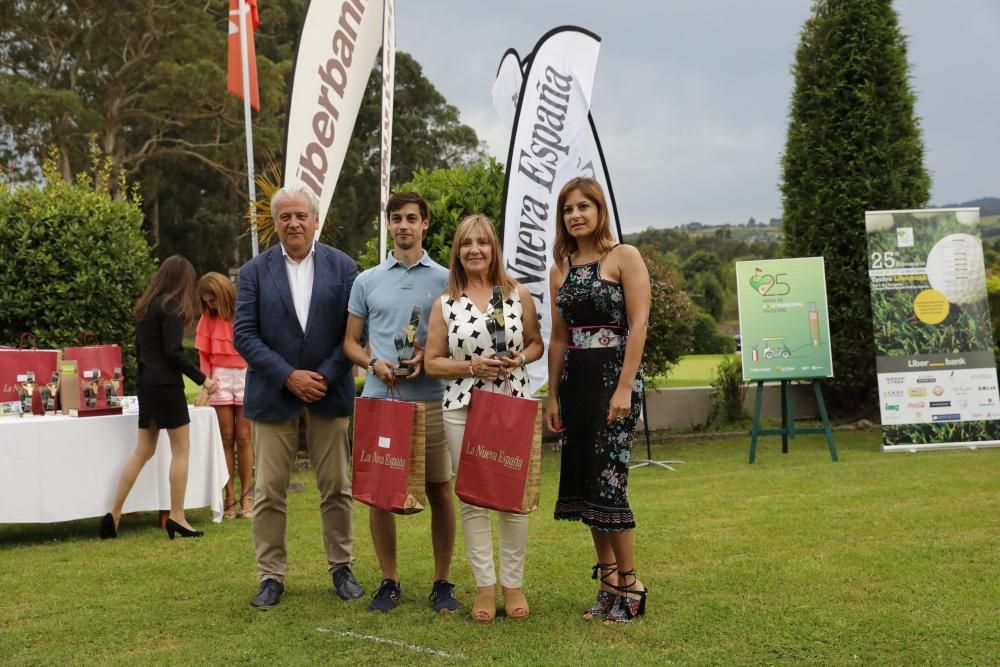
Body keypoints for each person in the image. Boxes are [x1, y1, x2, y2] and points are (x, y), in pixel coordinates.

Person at [233, 184, 363, 611]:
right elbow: (244, 335)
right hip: (274, 394)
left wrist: (322, 376)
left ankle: (341, 568)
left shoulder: (345, 268)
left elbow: (353, 334)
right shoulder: (254, 271)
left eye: (300, 216)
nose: (293, 223)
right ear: (275, 224)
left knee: (337, 487)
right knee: (269, 490)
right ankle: (270, 576)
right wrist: (288, 376)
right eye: (285, 217)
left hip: (329, 391)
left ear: (316, 220)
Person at [425, 214, 544, 623]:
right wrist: (472, 368)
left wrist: (519, 358)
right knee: (473, 500)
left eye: (482, 242)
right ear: (457, 252)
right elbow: (432, 362)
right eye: (466, 243)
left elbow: (536, 344)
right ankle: (485, 586)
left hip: (512, 406)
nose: (475, 250)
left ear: (494, 248)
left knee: (513, 500)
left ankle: (513, 584)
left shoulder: (517, 295)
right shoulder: (445, 304)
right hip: (463, 409)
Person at [344, 192, 459, 614]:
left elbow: (456, 344)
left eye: (412, 218)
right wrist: (373, 362)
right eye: (397, 218)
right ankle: (389, 581)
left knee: (440, 491)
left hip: (431, 400)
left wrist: (428, 362)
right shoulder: (366, 280)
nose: (404, 225)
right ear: (388, 224)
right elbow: (349, 344)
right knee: (379, 496)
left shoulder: (448, 280)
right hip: (381, 401)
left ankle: (442, 581)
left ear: (425, 223)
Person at [545, 177, 651, 624]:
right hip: (576, 382)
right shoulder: (560, 268)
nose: (576, 215)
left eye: (584, 206)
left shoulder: (623, 256)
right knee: (589, 486)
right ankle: (608, 583)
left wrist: (624, 387)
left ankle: (631, 583)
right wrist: (551, 395)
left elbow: (640, 322)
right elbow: (558, 337)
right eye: (568, 208)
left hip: (614, 379)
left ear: (599, 209)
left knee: (609, 483)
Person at [100, 255, 219, 541]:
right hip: (166, 386)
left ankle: (113, 513)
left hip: (146, 385)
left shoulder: (145, 307)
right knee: (181, 451)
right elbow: (174, 353)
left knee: (143, 450)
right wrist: (203, 379)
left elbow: (143, 353)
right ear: (182, 280)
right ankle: (177, 516)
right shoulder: (172, 306)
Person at [195, 272, 253, 520]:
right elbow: (204, 356)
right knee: (225, 437)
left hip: (245, 375)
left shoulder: (245, 311)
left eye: (213, 300)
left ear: (225, 293)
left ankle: (246, 496)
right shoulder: (207, 318)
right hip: (219, 378)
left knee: (244, 437)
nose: (210, 305)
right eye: (206, 301)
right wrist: (206, 384)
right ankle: (229, 495)